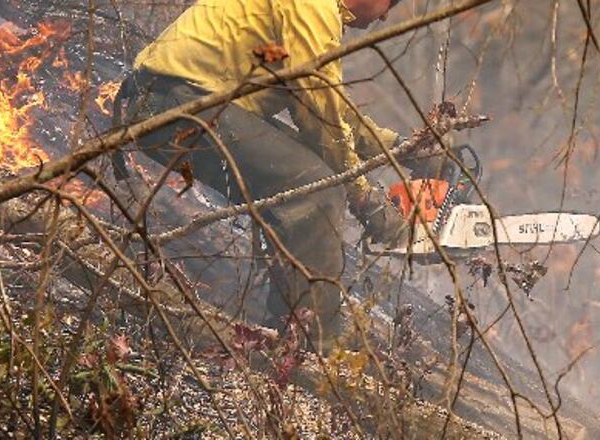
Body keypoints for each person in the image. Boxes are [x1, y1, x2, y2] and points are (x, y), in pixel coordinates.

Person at [112, 0, 416, 349]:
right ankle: (311, 344)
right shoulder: (313, 7)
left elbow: (331, 106)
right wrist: (364, 196)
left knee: (311, 179)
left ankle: (287, 329)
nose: (385, 16)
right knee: (316, 189)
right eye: (388, 5)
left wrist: (400, 147)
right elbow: (318, 114)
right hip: (173, 105)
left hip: (178, 101)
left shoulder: (314, 12)